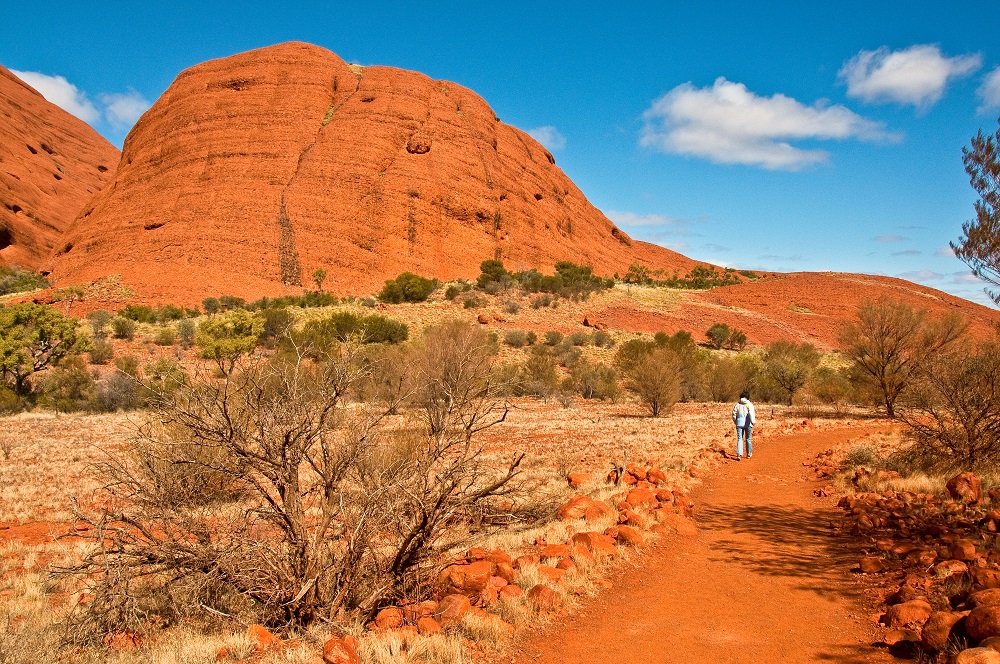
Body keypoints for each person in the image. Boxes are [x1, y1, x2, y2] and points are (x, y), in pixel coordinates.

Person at [732, 391, 757, 460]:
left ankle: (739, 454)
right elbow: (751, 413)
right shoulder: (749, 404)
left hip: (739, 423)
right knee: (748, 439)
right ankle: (749, 454)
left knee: (740, 438)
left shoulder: (737, 405)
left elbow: (734, 414)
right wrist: (753, 421)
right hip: (748, 424)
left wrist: (736, 421)